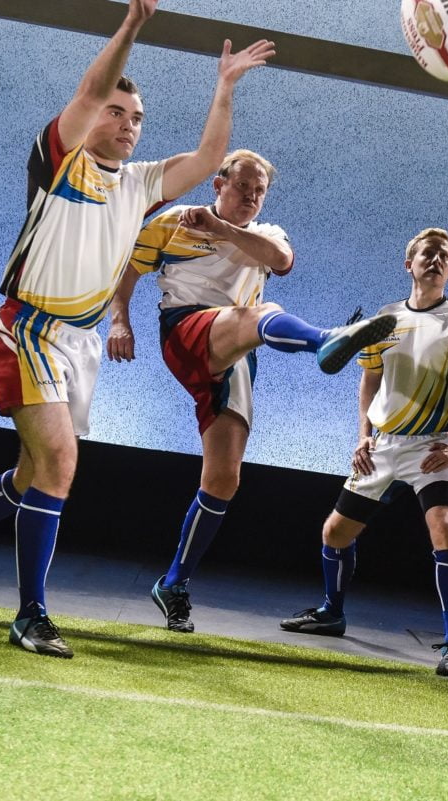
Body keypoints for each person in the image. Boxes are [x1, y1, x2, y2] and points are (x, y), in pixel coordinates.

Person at [0, 0, 276, 658]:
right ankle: (30, 613)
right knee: (59, 460)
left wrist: (225, 87)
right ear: (91, 117)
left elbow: (209, 156)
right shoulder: (59, 158)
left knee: (32, 475)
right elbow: (89, 88)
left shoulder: (142, 182)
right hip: (26, 328)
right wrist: (132, 24)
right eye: (117, 111)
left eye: (137, 116)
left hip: (78, 345)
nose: (128, 123)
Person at [106, 149, 396, 632]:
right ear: (218, 184)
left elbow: (281, 260)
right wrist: (120, 322)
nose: (251, 197)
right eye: (243, 187)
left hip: (237, 354)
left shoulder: (265, 234)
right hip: (186, 329)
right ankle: (326, 340)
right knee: (257, 315)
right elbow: (128, 273)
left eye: (259, 191)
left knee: (223, 480)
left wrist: (221, 230)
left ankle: (173, 582)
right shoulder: (175, 221)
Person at [279, 227, 448, 678]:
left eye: (444, 257)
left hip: (430, 447)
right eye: (427, 255)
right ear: (409, 264)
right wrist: (362, 436)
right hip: (382, 445)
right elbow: (370, 381)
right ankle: (331, 612)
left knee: (446, 528)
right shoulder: (385, 317)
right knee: (335, 533)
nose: (435, 261)